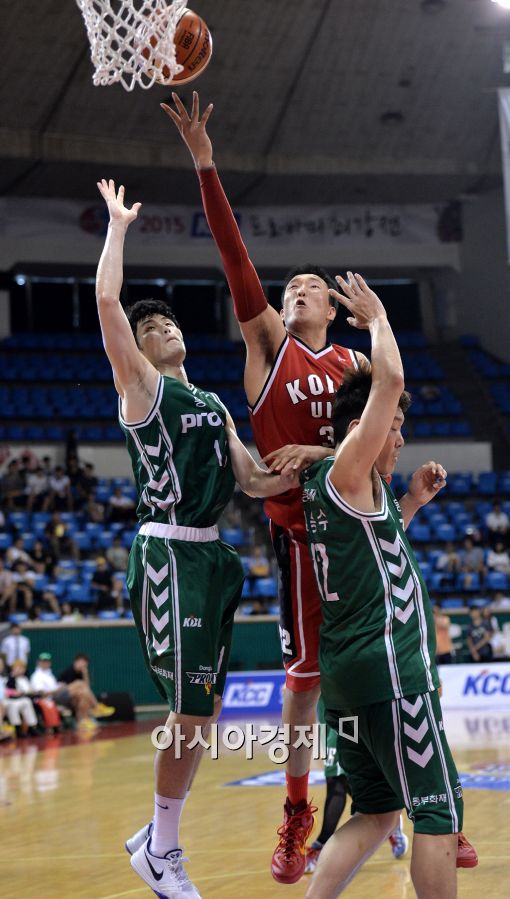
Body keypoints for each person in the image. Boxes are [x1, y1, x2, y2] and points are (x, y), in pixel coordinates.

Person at [163, 92, 370, 883]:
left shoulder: (356, 366)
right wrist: (206, 162)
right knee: (306, 686)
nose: (298, 291)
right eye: (292, 288)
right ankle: (295, 812)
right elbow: (235, 257)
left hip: (358, 532)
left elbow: (383, 442)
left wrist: (323, 449)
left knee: (375, 673)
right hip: (302, 543)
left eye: (311, 287)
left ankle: (382, 800)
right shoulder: (268, 346)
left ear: (333, 308)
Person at [95, 177, 301, 899]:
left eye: (169, 324)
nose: (164, 329)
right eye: (154, 329)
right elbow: (108, 304)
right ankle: (162, 849)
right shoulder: (142, 388)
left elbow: (253, 481)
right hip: (170, 552)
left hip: (213, 554)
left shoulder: (211, 401)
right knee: (187, 712)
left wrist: (325, 464)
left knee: (203, 715)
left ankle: (156, 836)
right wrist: (119, 227)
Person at [299, 272, 475, 897]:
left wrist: (413, 505)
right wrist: (377, 319)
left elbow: (371, 550)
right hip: (390, 676)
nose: (399, 438)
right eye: (393, 428)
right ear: (361, 429)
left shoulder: (351, 490)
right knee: (436, 813)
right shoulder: (349, 466)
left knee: (375, 815)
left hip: (347, 681)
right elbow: (390, 381)